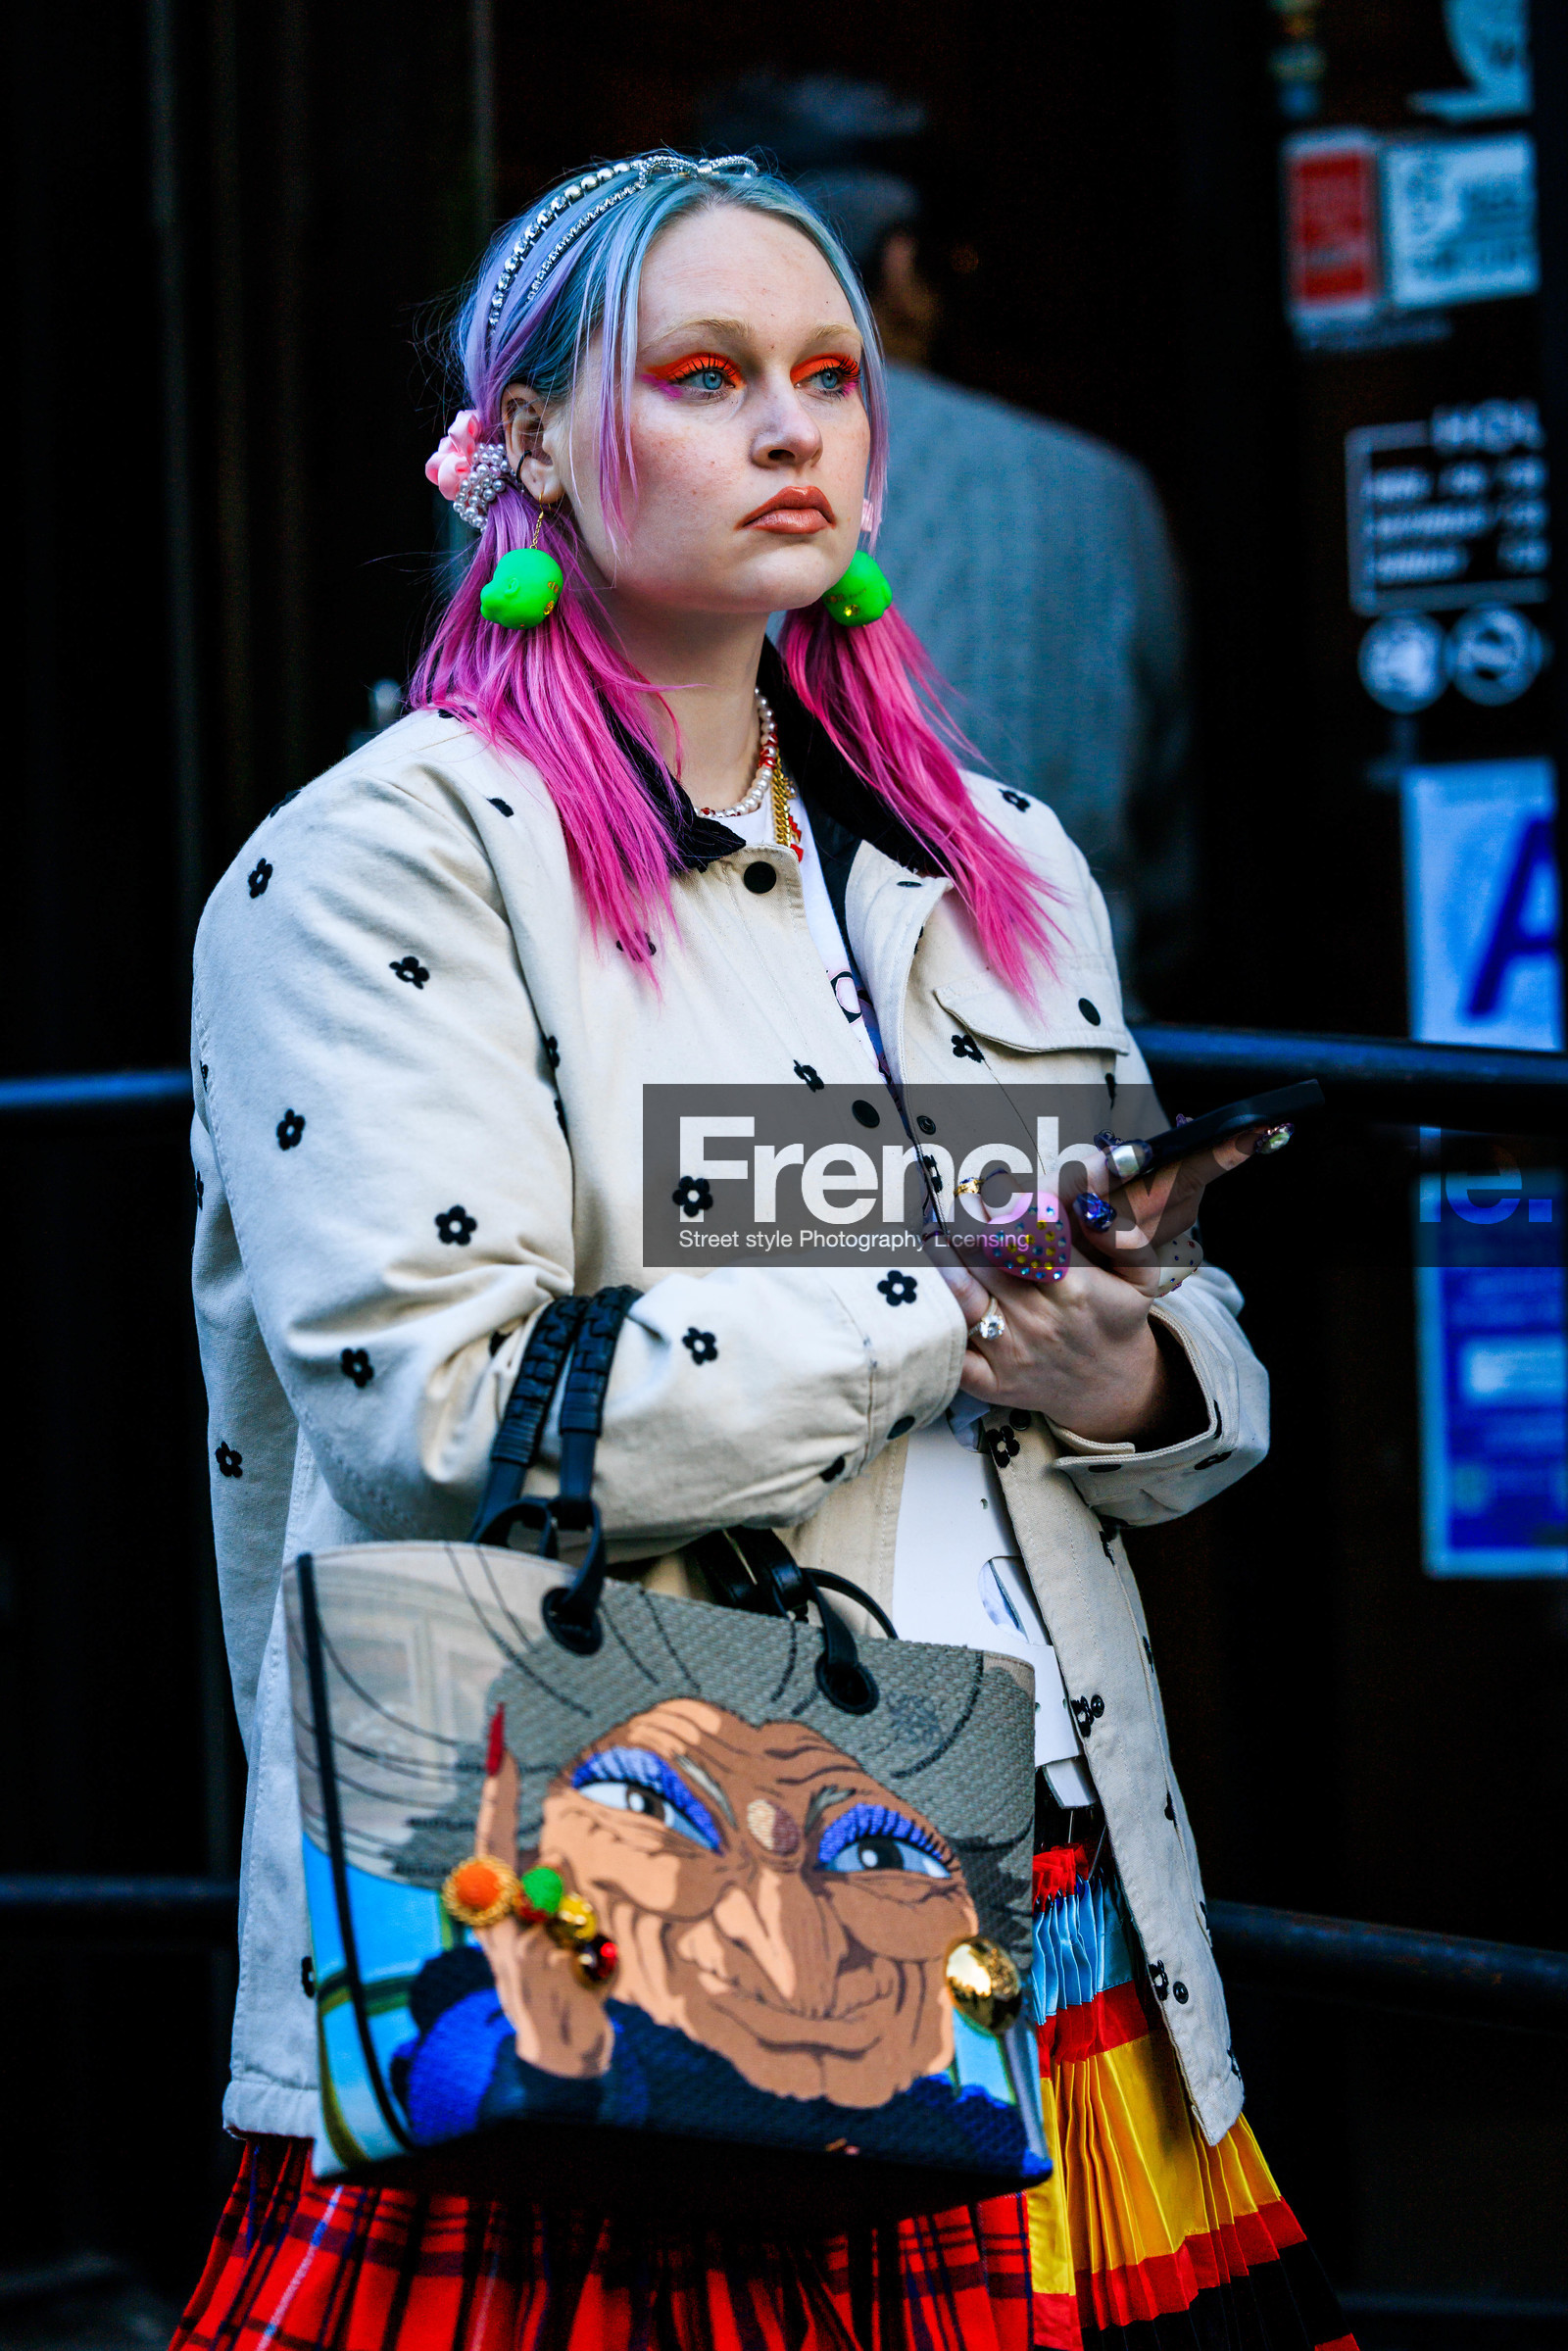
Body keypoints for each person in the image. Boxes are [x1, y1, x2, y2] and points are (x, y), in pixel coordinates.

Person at [173, 152, 1353, 2351]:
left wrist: (1131, 1370)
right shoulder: (376, 871)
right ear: (520, 440)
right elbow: (445, 1414)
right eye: (706, 376)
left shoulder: (994, 860)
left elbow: (1185, 1370)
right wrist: (942, 1296)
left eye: (827, 371)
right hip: (644, 1912)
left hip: (1060, 1888)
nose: (794, 425)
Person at [702, 73, 1193, 1004]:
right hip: (1057, 1078)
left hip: (729, 1102)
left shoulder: (582, 488)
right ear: (898, 264)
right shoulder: (1097, 497)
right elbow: (1171, 880)